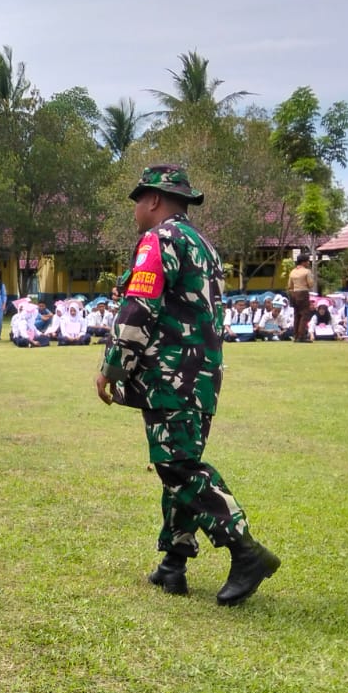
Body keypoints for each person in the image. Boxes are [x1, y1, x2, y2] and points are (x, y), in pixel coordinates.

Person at [96, 164, 279, 608]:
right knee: (178, 461)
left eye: (139, 199)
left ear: (155, 199)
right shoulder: (204, 246)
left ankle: (245, 550)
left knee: (177, 465)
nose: (136, 209)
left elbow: (139, 309)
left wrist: (112, 368)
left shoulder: (158, 241)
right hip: (202, 373)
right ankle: (173, 564)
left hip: (170, 374)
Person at [285, 255, 316, 343]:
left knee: (297, 314)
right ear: (303, 262)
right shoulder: (307, 271)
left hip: (293, 293)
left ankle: (296, 335)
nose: (308, 263)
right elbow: (310, 284)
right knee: (305, 314)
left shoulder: (293, 271)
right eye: (307, 261)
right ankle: (301, 336)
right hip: (303, 293)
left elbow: (289, 285)